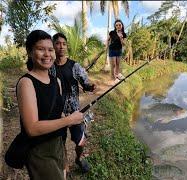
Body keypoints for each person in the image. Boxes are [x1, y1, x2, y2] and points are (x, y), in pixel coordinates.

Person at [16, 30, 83, 179]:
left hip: (58, 143)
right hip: (39, 150)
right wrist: (69, 120)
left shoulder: (56, 81)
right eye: (41, 49)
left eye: (50, 49)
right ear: (29, 52)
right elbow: (32, 128)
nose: (47, 54)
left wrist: (68, 117)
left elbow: (56, 112)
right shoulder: (26, 83)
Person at [50, 32, 96, 173]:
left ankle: (78, 158)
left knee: (81, 141)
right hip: (58, 113)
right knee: (60, 142)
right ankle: (64, 165)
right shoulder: (50, 67)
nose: (61, 47)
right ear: (53, 46)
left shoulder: (74, 66)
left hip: (75, 111)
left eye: (64, 44)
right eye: (57, 43)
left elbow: (85, 82)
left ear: (67, 46)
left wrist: (90, 86)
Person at [107, 19, 127, 84]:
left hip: (119, 50)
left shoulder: (124, 34)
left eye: (119, 25)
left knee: (118, 64)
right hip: (112, 50)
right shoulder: (112, 32)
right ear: (115, 26)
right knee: (114, 64)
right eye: (116, 25)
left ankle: (117, 76)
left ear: (122, 25)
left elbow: (124, 44)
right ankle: (114, 78)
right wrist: (106, 46)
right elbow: (107, 40)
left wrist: (121, 38)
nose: (118, 26)